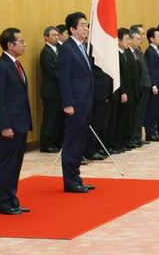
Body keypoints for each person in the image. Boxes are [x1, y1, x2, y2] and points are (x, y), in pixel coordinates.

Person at [0, 27, 32, 215]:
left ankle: (12, 200)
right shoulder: (0, 67)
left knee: (15, 165)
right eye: (20, 42)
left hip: (20, 123)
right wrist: (4, 125)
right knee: (6, 165)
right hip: (10, 126)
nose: (24, 45)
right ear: (10, 45)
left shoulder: (16, 64)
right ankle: (3, 203)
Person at [58, 12, 95, 193]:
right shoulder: (67, 49)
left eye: (87, 25)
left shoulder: (82, 47)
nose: (86, 28)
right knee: (72, 142)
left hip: (85, 103)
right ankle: (70, 181)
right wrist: (68, 104)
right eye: (82, 25)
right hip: (74, 105)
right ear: (72, 29)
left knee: (80, 142)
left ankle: (76, 177)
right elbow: (64, 79)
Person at [39, 26, 64, 153]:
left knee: (58, 119)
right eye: (53, 35)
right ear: (46, 37)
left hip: (60, 92)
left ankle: (56, 142)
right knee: (50, 119)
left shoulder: (59, 49)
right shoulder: (45, 52)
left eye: (57, 35)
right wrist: (66, 79)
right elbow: (53, 72)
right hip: (51, 92)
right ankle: (46, 144)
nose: (56, 37)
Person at [144, 28, 159, 142]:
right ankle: (150, 133)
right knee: (151, 109)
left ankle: (154, 130)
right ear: (151, 39)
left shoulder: (158, 50)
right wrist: (153, 85)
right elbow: (150, 70)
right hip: (154, 85)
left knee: (156, 109)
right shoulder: (149, 51)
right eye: (158, 36)